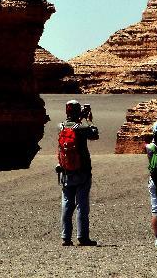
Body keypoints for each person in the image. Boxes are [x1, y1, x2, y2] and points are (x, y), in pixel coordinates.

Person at [57, 99, 99, 246]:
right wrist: (89, 120)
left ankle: (65, 237)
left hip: (66, 172)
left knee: (67, 205)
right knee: (82, 205)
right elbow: (95, 134)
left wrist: (79, 117)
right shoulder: (80, 128)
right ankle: (83, 237)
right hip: (82, 172)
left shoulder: (60, 127)